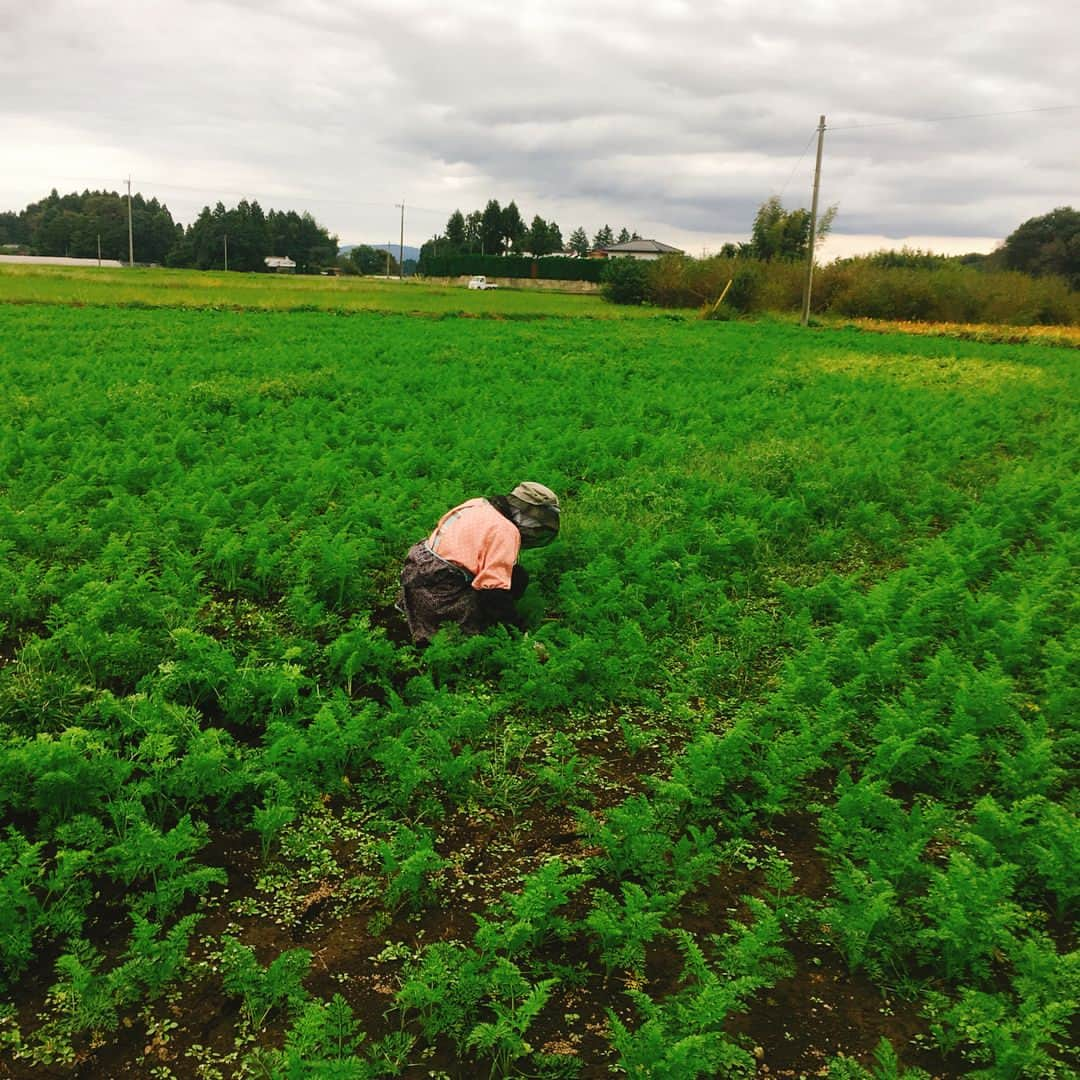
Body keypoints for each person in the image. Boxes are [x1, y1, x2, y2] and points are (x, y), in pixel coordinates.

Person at [398, 481, 560, 644]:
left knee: (517, 575)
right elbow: (493, 591)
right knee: (469, 633)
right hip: (440, 590)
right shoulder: (505, 530)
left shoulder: (477, 504)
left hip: (416, 572)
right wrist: (516, 633)